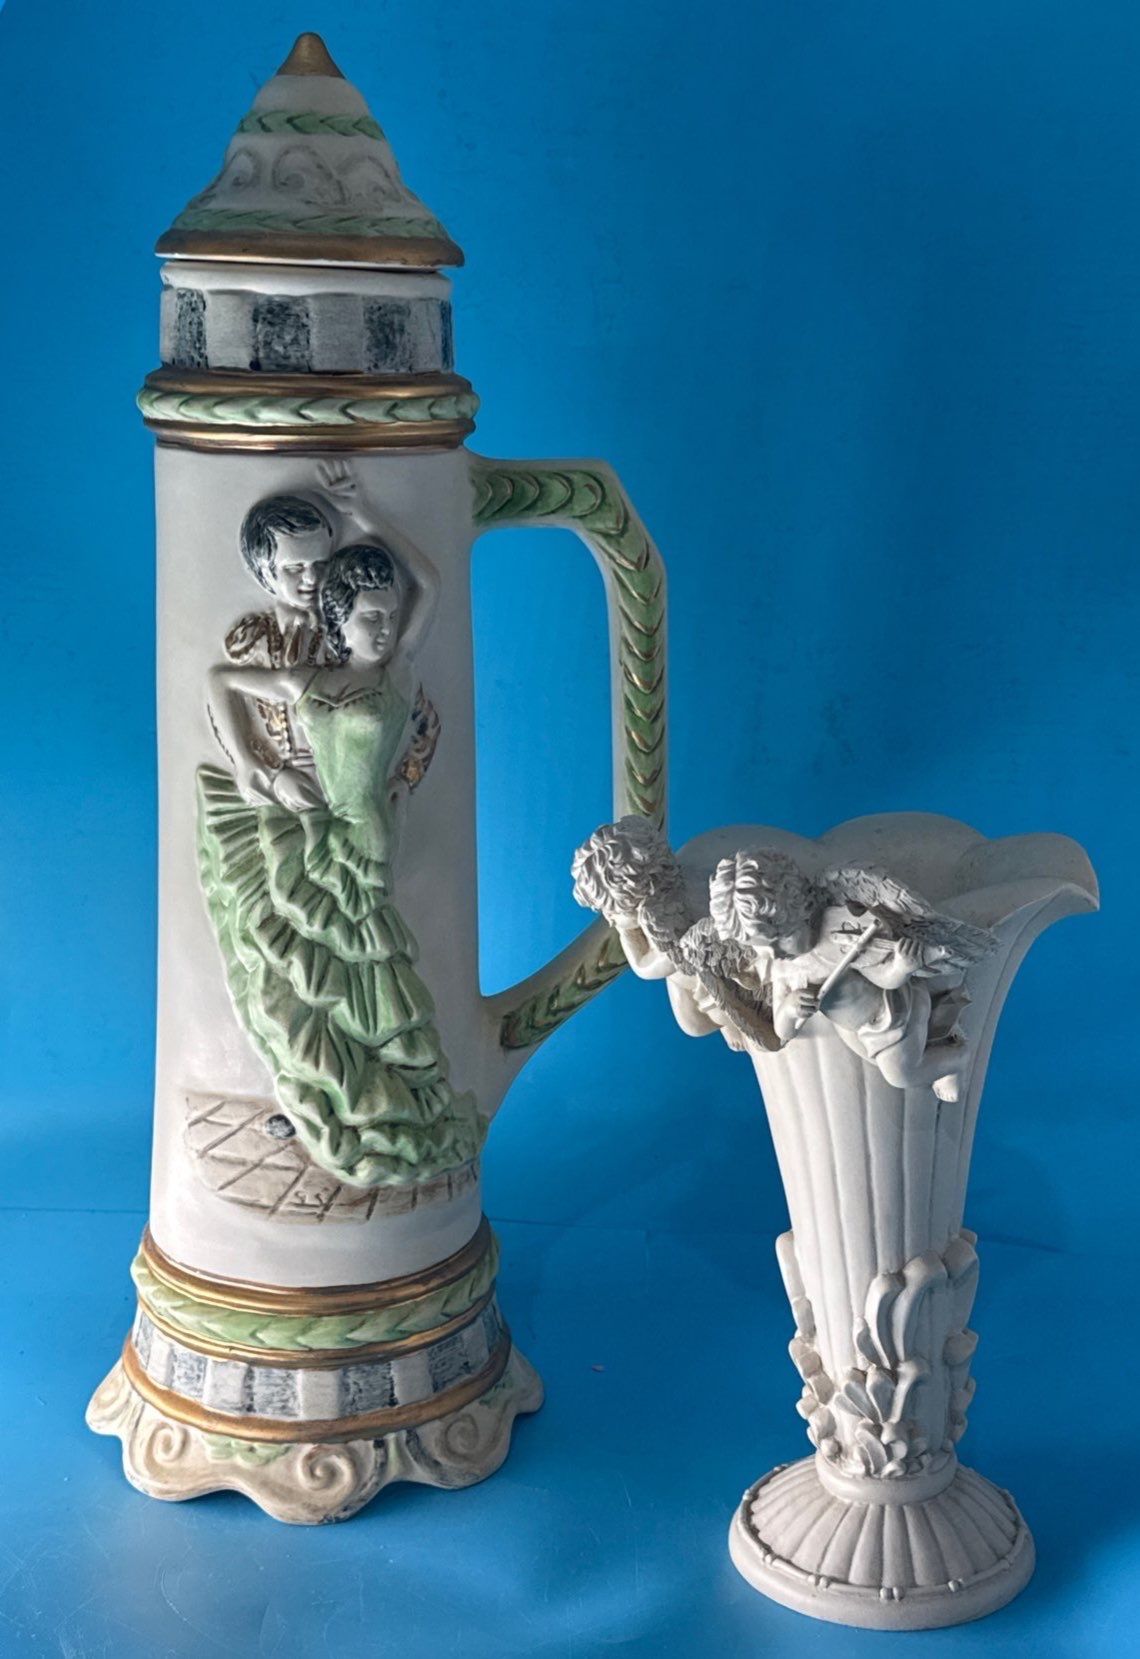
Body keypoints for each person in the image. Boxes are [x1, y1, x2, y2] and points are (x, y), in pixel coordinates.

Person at [197, 542, 481, 1188]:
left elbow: (430, 584)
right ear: (336, 621)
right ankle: (324, 1095)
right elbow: (219, 681)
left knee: (362, 966)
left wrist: (363, 515)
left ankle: (388, 1102)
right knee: (310, 964)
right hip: (314, 825)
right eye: (369, 618)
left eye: (390, 616)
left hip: (365, 835)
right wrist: (254, 769)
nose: (384, 629)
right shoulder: (310, 682)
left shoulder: (396, 674)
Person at [708, 850, 987, 1099]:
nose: (775, 953)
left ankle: (956, 1059)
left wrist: (901, 967)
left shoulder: (838, 935)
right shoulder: (782, 967)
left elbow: (882, 979)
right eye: (761, 947)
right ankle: (941, 1035)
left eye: (782, 938)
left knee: (901, 1075)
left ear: (801, 910)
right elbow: (783, 1031)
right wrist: (791, 1010)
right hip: (855, 1029)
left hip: (891, 1016)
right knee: (871, 1066)